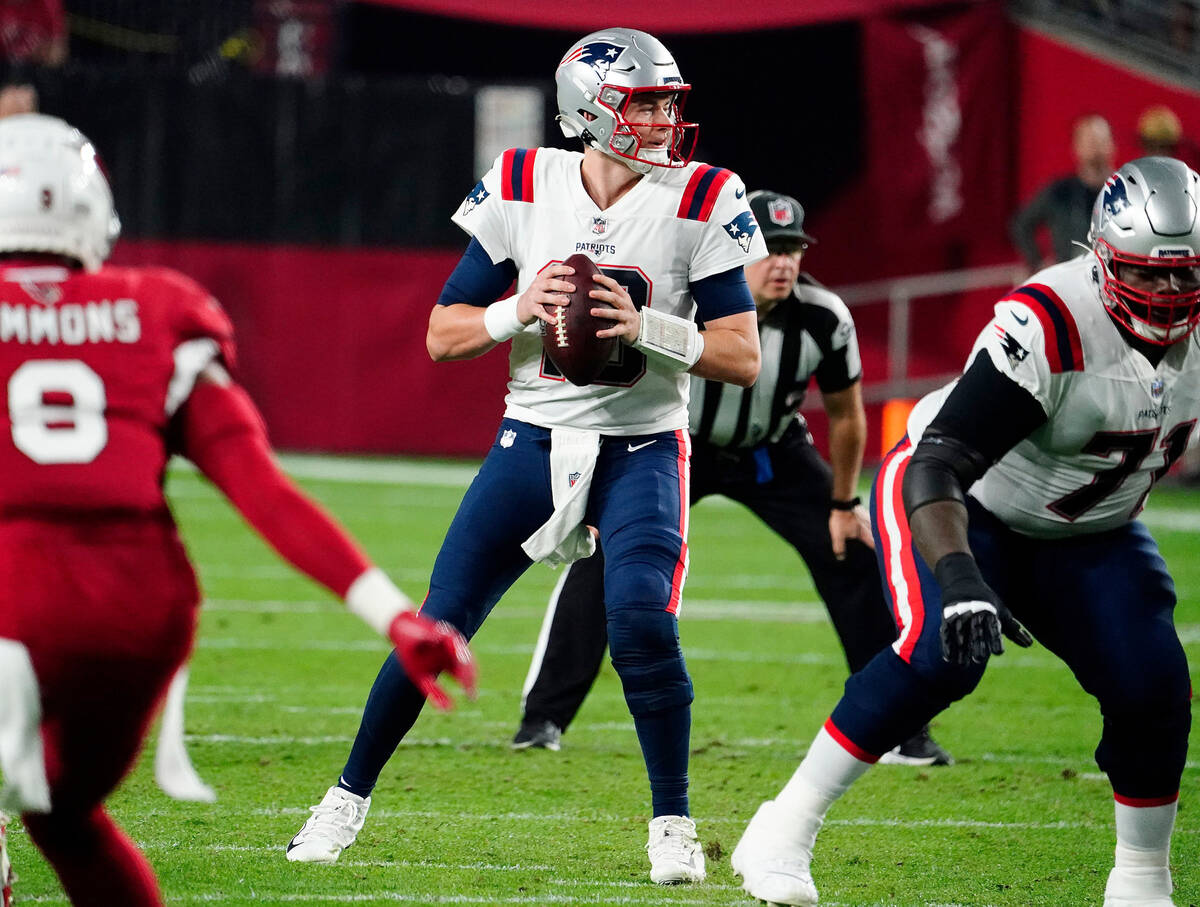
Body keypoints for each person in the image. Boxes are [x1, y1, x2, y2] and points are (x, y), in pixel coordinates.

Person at [287, 26, 765, 885]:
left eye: (668, 102)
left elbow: (742, 355)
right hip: (534, 437)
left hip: (644, 445)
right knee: (437, 625)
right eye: (645, 102)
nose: (663, 119)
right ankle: (344, 797)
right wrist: (518, 309)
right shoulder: (524, 181)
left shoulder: (705, 195)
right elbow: (441, 334)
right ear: (591, 112)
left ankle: (673, 821)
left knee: (642, 624)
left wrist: (648, 327)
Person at [0, 113, 476, 907]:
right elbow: (263, 489)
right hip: (132, 611)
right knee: (65, 815)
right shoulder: (154, 309)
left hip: (15, 584)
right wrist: (398, 617)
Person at [730, 155, 1200, 907]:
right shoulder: (1053, 321)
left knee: (1154, 685)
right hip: (961, 497)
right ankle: (783, 827)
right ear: (1103, 257)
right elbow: (941, 460)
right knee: (937, 655)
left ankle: (1142, 880)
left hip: (1092, 526)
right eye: (1151, 273)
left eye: (1186, 275)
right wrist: (958, 575)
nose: (1170, 295)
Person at [510, 190, 953, 768]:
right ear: (739, 248)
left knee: (851, 553)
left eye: (794, 250)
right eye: (771, 250)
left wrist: (845, 500)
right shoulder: (685, 300)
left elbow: (846, 415)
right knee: (606, 561)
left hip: (771, 451)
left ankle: (899, 726)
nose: (784, 263)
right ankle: (543, 716)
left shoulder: (823, 316)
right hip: (669, 447)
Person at [1010, 113, 1115, 270]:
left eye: (1099, 140)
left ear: (1111, 144)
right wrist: (1037, 263)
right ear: (1076, 147)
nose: (1094, 147)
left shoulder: (1127, 191)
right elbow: (1020, 225)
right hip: (1070, 282)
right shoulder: (1059, 193)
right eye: (1088, 141)